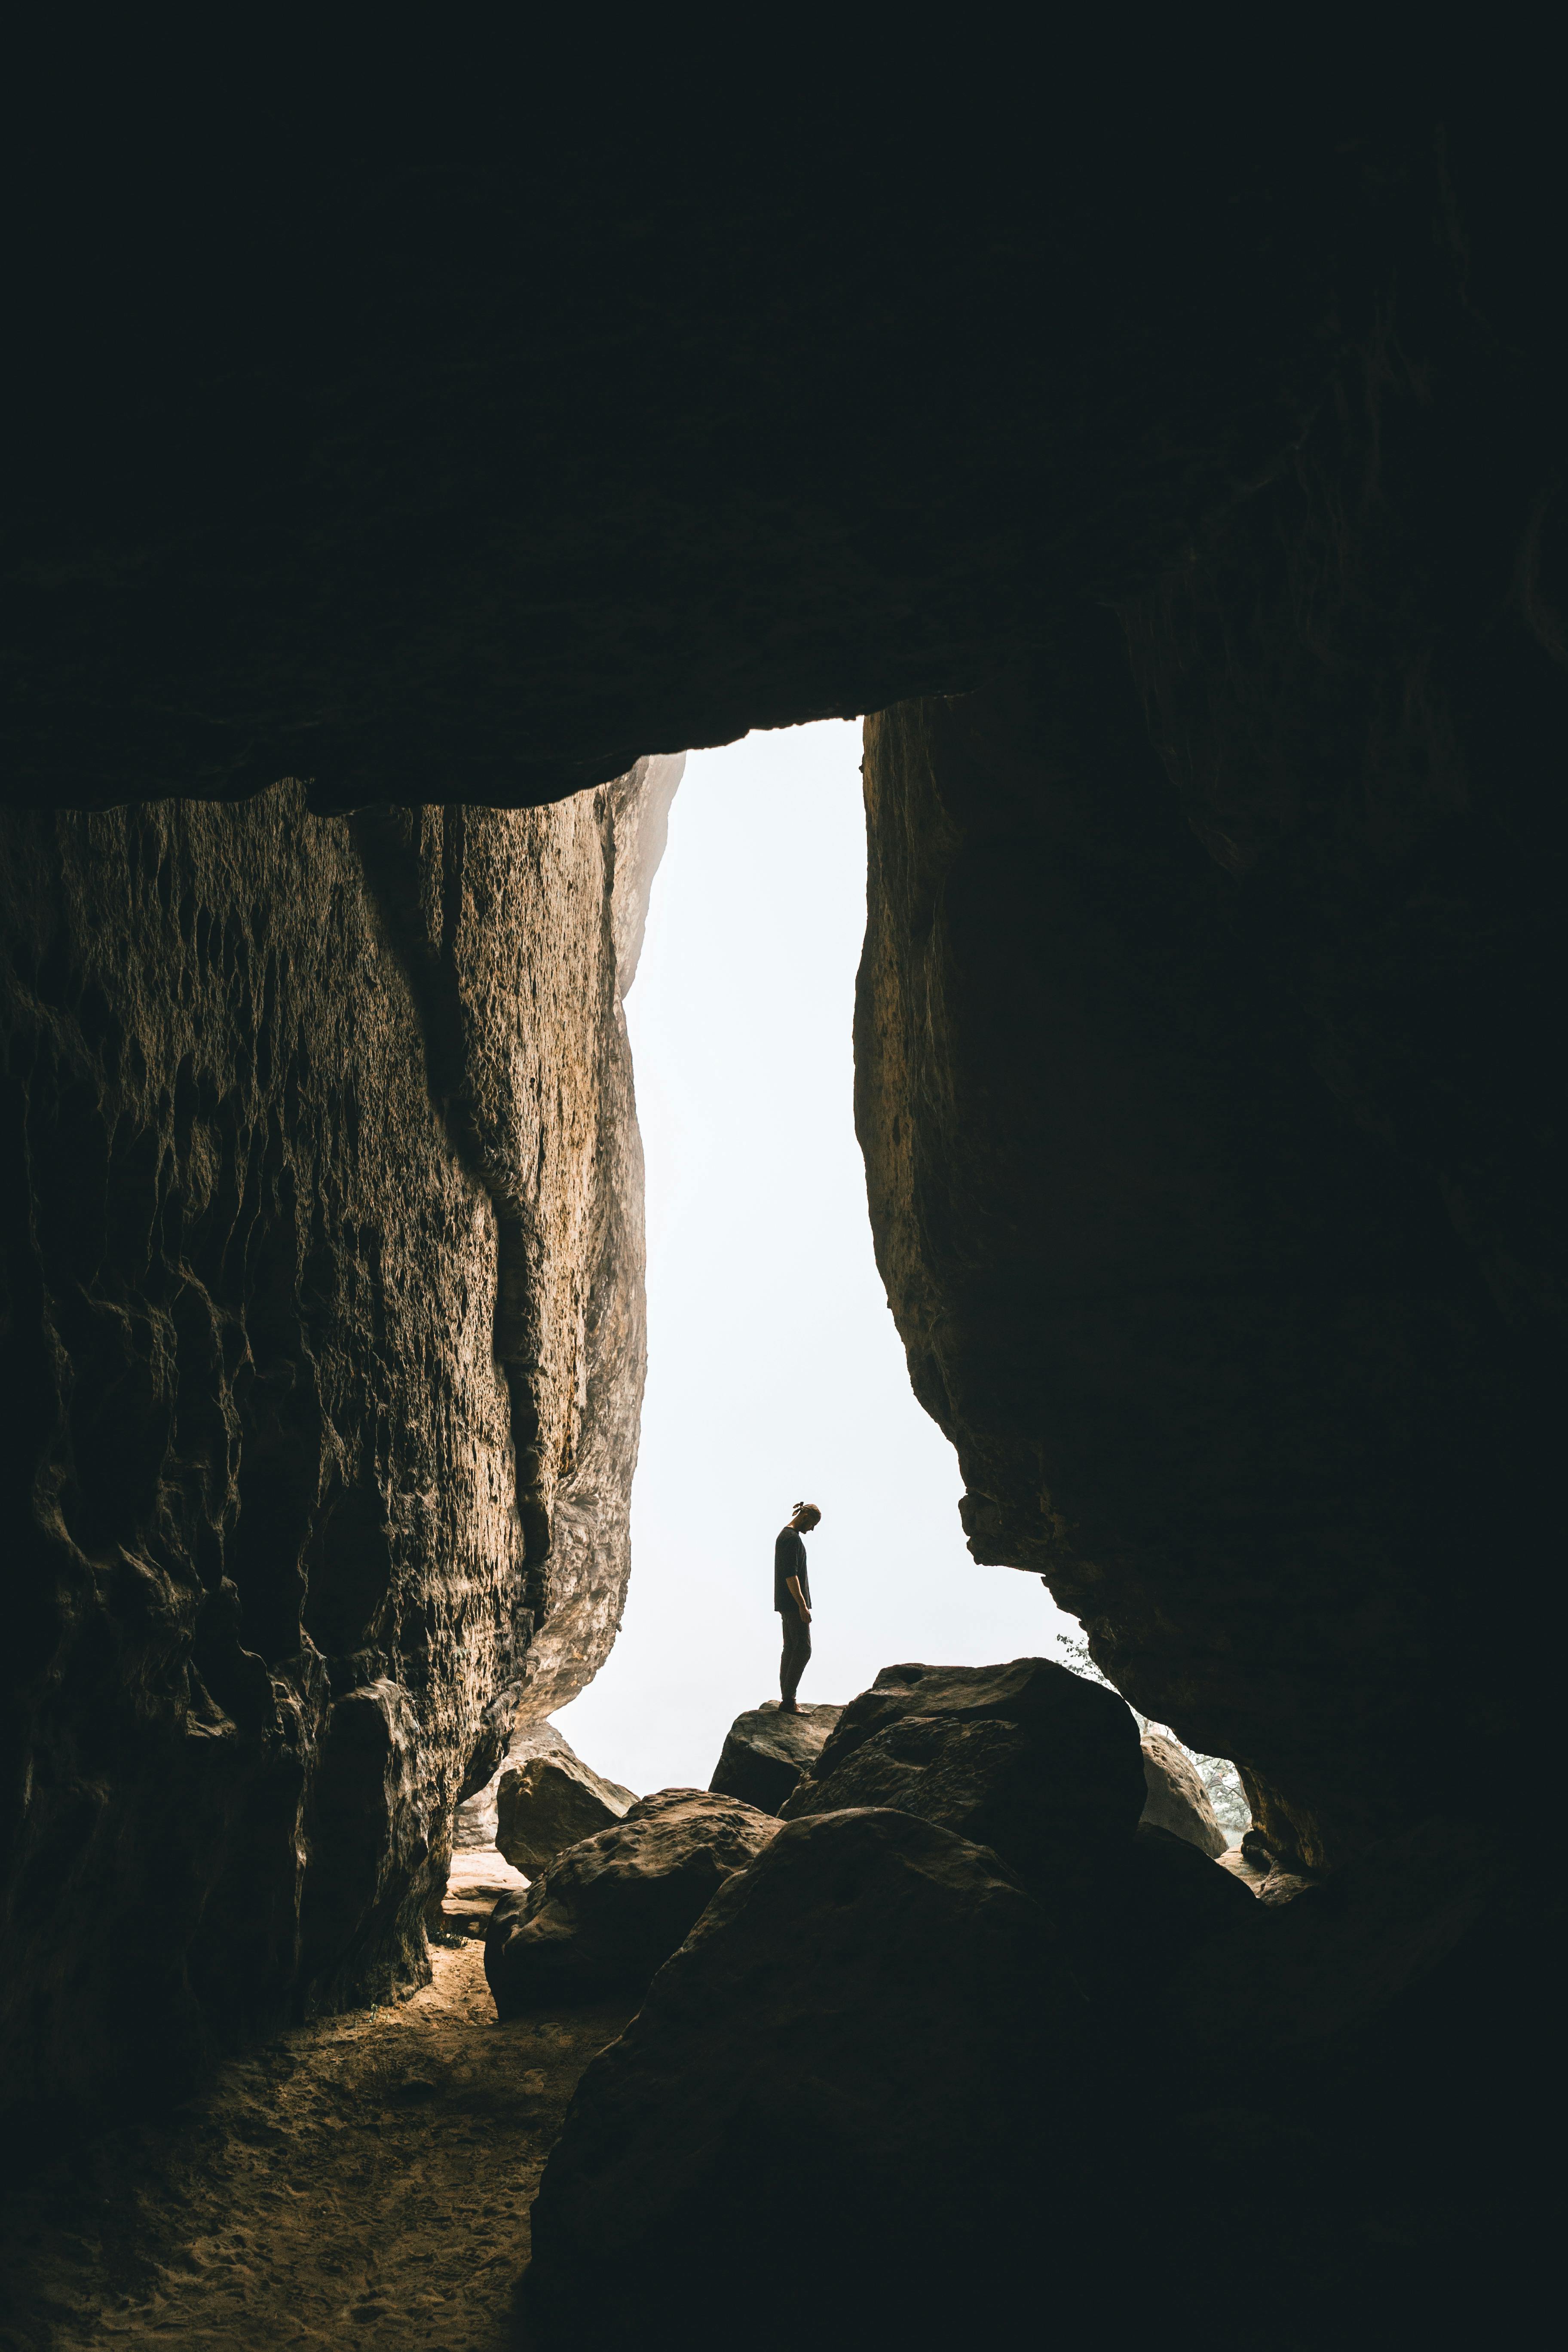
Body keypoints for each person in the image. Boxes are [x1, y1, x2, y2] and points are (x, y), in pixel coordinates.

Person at [774, 1501, 820, 1713]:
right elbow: (790, 1575)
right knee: (802, 1649)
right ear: (805, 1517)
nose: (812, 1529)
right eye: (812, 1524)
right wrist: (803, 1606)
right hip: (793, 1605)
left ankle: (787, 1699)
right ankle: (789, 1701)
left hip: (788, 1604)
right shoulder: (790, 1539)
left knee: (791, 1648)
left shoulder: (788, 1537)